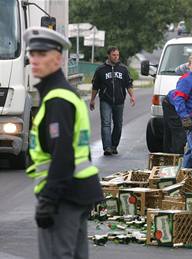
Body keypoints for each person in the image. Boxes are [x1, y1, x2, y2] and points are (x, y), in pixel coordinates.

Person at [23, 27, 103, 259]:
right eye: (32, 54)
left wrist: (48, 199)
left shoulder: (57, 98)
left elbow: (64, 155)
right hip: (78, 191)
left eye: (41, 54)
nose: (34, 59)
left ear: (57, 59)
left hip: (64, 195)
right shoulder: (65, 94)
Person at [89, 46, 136, 156]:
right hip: (106, 100)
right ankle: (107, 147)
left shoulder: (123, 69)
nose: (116, 57)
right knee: (106, 124)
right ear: (108, 55)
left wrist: (132, 96)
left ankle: (114, 145)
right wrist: (92, 100)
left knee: (118, 124)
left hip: (119, 101)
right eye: (114, 55)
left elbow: (128, 84)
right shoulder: (101, 70)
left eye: (117, 55)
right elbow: (95, 86)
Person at [162, 89, 187, 154]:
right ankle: (177, 157)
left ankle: (168, 155)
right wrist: (186, 120)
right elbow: (181, 108)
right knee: (179, 131)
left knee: (170, 131)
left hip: (174, 102)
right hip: (171, 104)